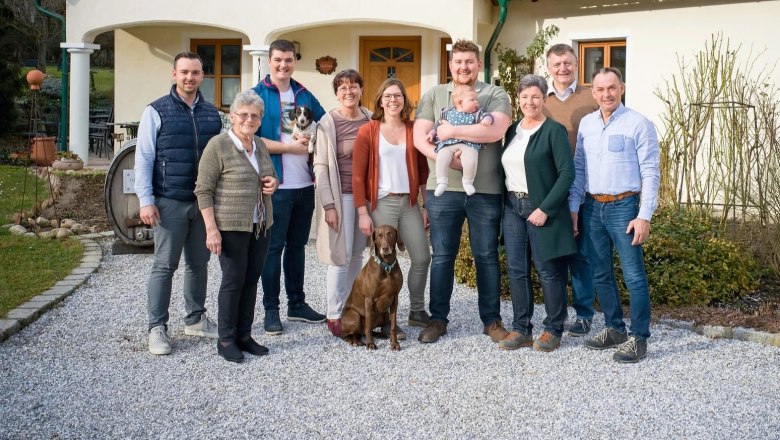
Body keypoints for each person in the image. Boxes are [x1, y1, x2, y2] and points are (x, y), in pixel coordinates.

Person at [413, 39, 512, 344]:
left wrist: (452, 132)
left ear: (478, 64)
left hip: (485, 190)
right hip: (444, 192)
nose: (463, 67)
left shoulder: (494, 94)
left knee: (486, 255)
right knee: (442, 256)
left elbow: (495, 130)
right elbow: (420, 138)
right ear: (450, 65)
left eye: (469, 62)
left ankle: (491, 321)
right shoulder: (433, 94)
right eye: (458, 62)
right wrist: (447, 158)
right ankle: (438, 320)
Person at [569, 67, 660, 363]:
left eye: (612, 88)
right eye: (600, 89)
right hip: (593, 207)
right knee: (600, 273)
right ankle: (614, 328)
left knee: (634, 275)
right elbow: (579, 168)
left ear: (621, 87)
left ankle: (639, 338)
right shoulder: (586, 124)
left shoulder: (638, 123)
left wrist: (644, 215)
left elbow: (650, 171)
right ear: (593, 93)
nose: (606, 94)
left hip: (625, 208)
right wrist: (574, 208)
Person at [134, 52, 223, 356]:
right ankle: (157, 327)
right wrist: (146, 201)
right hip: (168, 200)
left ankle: (195, 319)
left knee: (199, 264)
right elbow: (144, 157)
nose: (190, 77)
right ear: (174, 74)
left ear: (202, 76)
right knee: (164, 265)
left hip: (203, 204)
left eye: (195, 72)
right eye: (184, 72)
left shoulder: (213, 115)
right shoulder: (156, 111)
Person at [194, 89, 278, 363]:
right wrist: (211, 229)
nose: (249, 119)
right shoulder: (217, 146)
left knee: (251, 280)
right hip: (230, 226)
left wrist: (273, 184)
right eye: (243, 114)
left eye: (255, 116)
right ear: (232, 116)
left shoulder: (260, 146)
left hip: (260, 224)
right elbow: (203, 191)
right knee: (233, 282)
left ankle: (244, 335)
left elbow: (270, 175)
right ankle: (226, 339)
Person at [251, 39, 327, 335]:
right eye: (278, 60)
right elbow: (251, 140)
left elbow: (325, 124)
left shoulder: (304, 94)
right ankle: (272, 310)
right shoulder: (257, 95)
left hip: (305, 184)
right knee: (273, 249)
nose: (284, 65)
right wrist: (291, 149)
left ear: (295, 61)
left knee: (297, 247)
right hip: (276, 185)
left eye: (289, 60)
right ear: (269, 61)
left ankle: (297, 304)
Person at [498, 75, 576, 352]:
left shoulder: (554, 130)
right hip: (512, 207)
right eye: (524, 97)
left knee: (548, 270)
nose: (529, 102)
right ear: (518, 100)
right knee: (517, 270)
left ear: (544, 99)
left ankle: (553, 329)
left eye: (535, 96)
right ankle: (521, 328)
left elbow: (567, 174)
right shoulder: (512, 130)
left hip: (540, 207)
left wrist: (545, 209)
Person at [353, 78, 432, 338]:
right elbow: (357, 175)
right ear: (379, 100)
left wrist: (424, 204)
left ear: (404, 100)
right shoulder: (369, 130)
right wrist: (363, 212)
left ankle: (417, 310)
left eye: (397, 95)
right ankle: (386, 321)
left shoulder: (413, 129)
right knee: (383, 263)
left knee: (421, 257)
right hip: (382, 203)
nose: (392, 100)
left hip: (409, 203)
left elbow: (422, 171)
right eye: (387, 96)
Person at [544, 43, 600, 337]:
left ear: (576, 64)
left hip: (585, 186)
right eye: (557, 64)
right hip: (550, 188)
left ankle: (583, 313)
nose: (562, 69)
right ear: (548, 67)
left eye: (567, 63)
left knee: (581, 254)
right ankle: (556, 313)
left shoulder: (592, 95)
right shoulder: (541, 100)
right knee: (554, 254)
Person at [312, 69, 372, 337]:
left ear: (361, 89)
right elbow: (321, 167)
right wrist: (329, 205)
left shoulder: (371, 118)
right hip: (342, 196)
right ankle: (335, 314)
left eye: (353, 86)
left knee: (358, 253)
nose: (349, 92)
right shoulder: (327, 123)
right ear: (336, 93)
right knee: (341, 255)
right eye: (343, 88)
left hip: (367, 196)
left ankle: (352, 306)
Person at [427, 84, 494, 197]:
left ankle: (468, 181)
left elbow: (488, 116)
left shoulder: (477, 113)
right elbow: (438, 123)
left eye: (476, 99)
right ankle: (442, 181)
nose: (477, 102)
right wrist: (431, 133)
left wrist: (487, 119)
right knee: (441, 157)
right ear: (460, 103)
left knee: (471, 159)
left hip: (468, 144)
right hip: (448, 143)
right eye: (472, 99)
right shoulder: (447, 112)